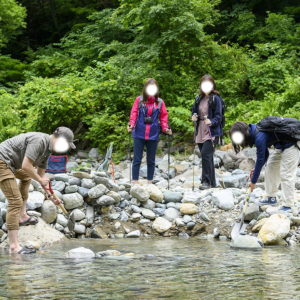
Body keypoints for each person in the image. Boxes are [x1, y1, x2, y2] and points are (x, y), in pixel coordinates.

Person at [0, 127, 76, 254]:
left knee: (27, 176)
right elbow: (26, 166)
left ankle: (22, 216)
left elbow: (41, 175)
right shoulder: (39, 141)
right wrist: (40, 180)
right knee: (15, 201)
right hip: (2, 161)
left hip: (11, 164)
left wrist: (50, 194)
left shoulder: (48, 150)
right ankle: (14, 246)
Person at [229, 121, 300, 213]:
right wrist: (255, 170)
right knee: (270, 166)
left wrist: (253, 182)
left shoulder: (259, 137)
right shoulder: (255, 131)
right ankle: (271, 197)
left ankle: (289, 205)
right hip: (281, 145)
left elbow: (260, 159)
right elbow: (265, 155)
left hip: (292, 144)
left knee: (286, 174)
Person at [128, 78, 172, 184]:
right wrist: (131, 124)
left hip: (153, 134)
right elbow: (134, 113)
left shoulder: (160, 102)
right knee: (137, 159)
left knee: (151, 160)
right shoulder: (139, 100)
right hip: (139, 132)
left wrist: (165, 128)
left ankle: (149, 181)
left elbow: (163, 116)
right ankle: (135, 180)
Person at [191, 74, 223, 189]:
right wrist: (193, 117)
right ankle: (212, 184)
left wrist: (212, 121)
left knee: (205, 155)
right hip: (200, 130)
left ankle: (205, 181)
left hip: (211, 132)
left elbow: (219, 117)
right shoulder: (198, 98)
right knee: (207, 157)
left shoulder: (216, 99)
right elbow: (194, 112)